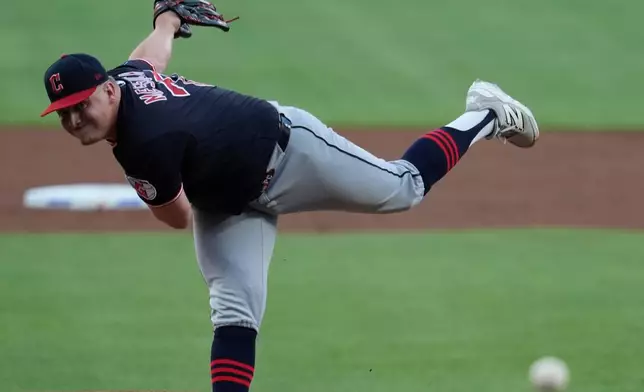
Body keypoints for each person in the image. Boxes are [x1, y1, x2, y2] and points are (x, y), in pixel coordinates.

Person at [40, 9, 539, 392]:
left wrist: (166, 190)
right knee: (233, 312)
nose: (74, 120)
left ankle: (486, 114)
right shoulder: (128, 80)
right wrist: (167, 20)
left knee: (401, 187)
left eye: (80, 105)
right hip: (231, 197)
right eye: (63, 113)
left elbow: (176, 217)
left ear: (106, 91)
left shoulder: (143, 147)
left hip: (291, 150)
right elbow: (149, 57)